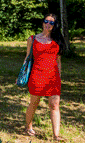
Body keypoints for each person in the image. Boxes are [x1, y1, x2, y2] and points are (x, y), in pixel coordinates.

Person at [23, 13, 65, 141]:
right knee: (34, 103)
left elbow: (58, 60)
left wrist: (59, 77)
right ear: (42, 22)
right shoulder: (32, 39)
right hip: (37, 75)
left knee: (54, 104)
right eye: (46, 21)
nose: (48, 24)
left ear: (55, 25)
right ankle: (28, 126)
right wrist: (22, 74)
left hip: (53, 76)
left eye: (51, 22)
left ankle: (56, 135)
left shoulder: (57, 40)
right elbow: (27, 58)